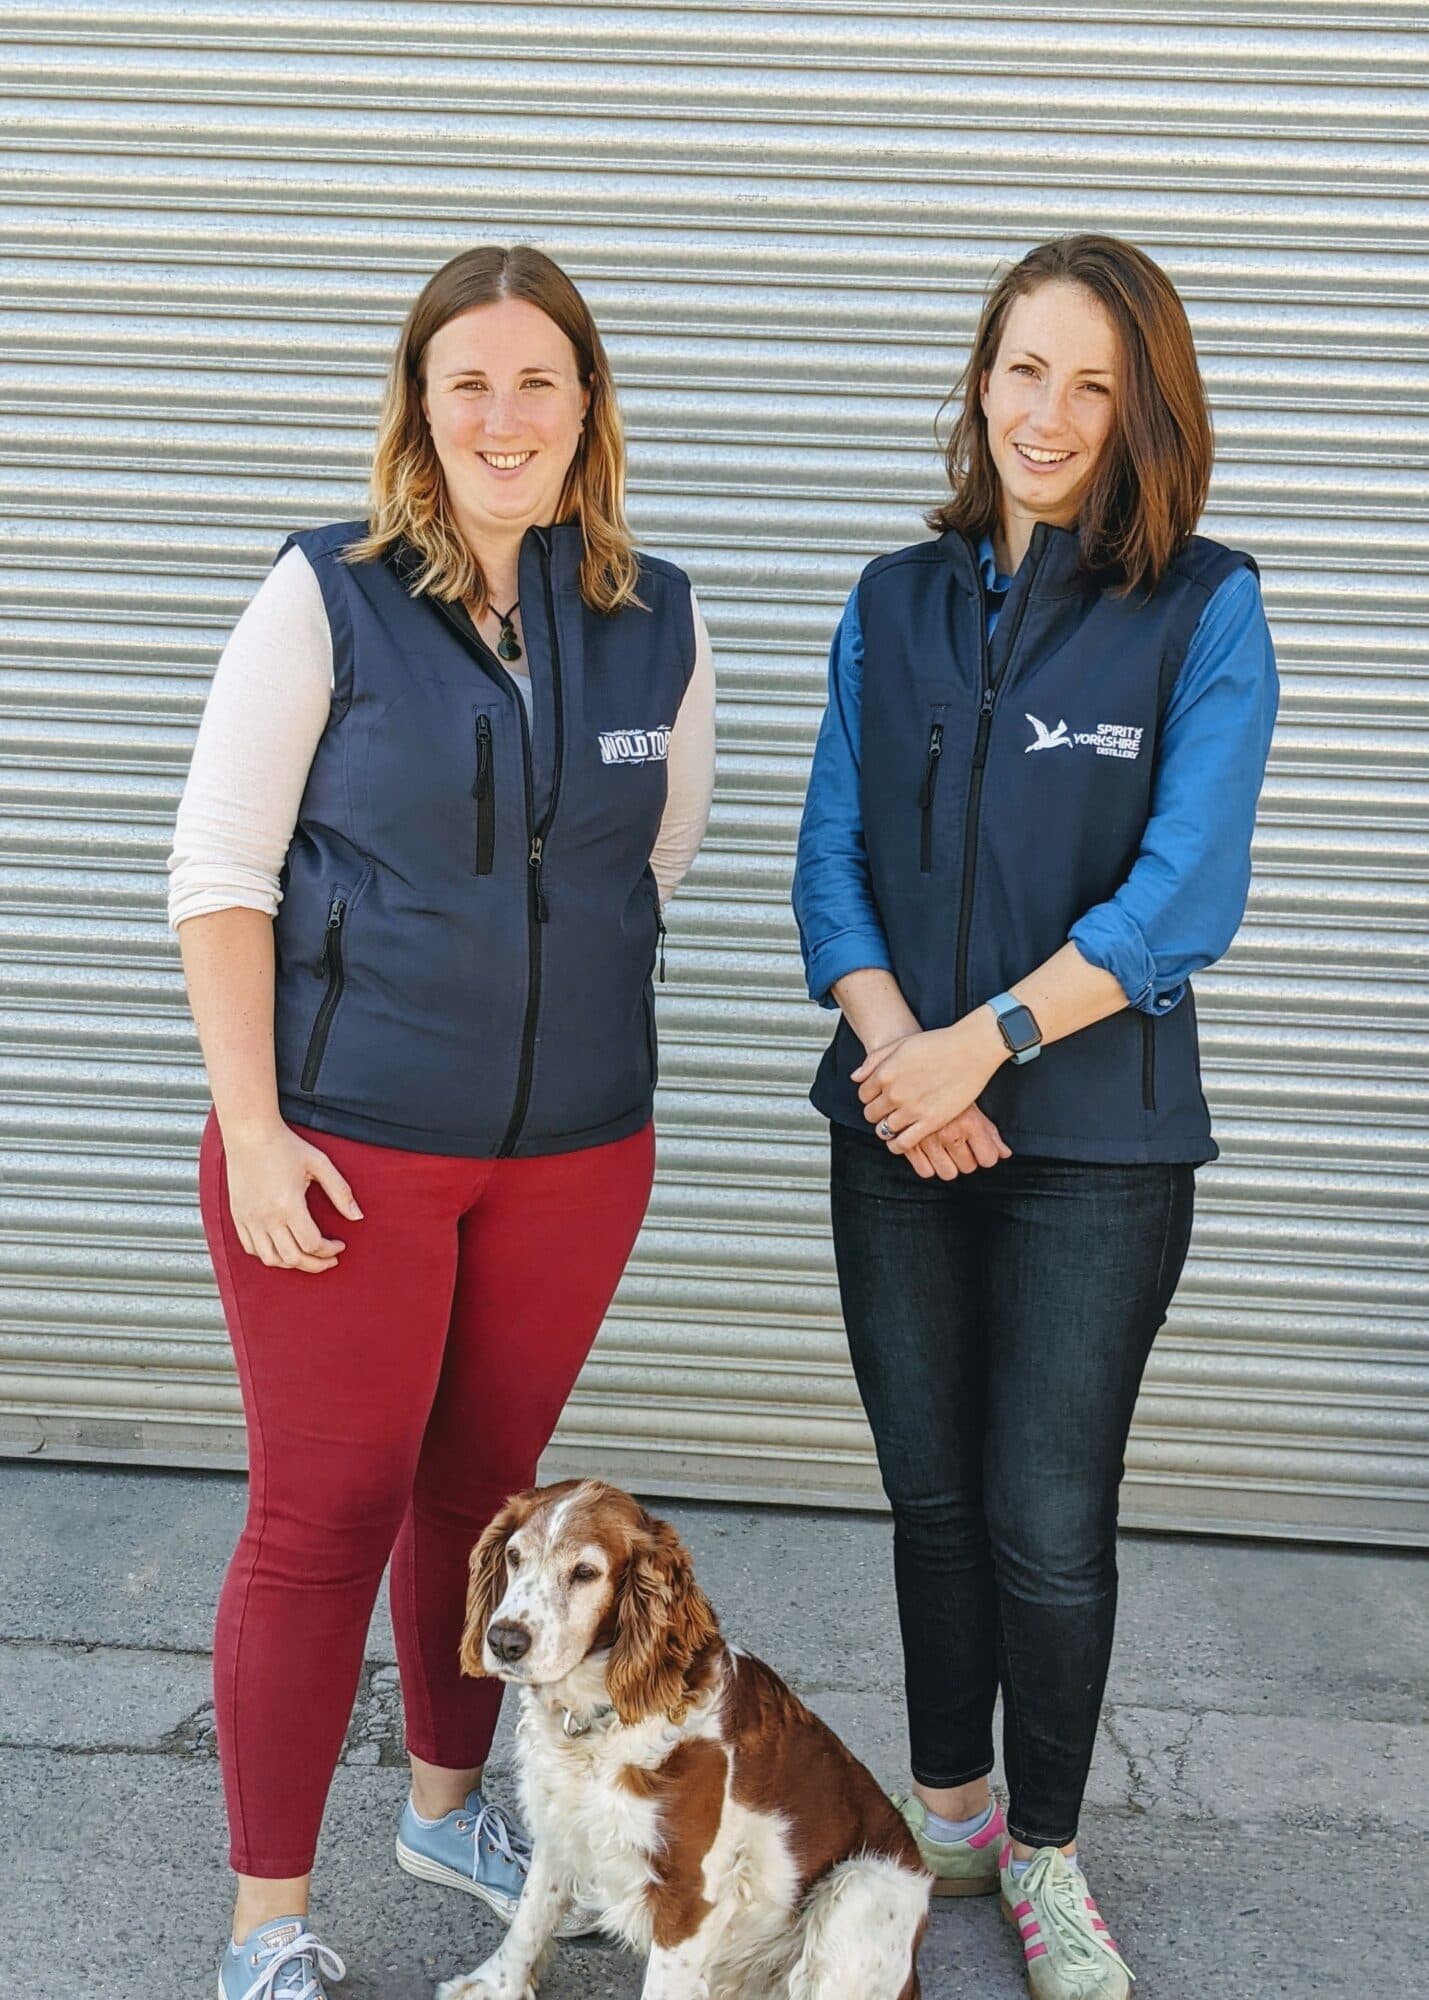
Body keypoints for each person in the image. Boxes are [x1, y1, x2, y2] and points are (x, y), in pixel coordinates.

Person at [168, 244, 715, 2000]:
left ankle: (443, 1807)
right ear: (419, 404)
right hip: (344, 1153)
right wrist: (255, 1128)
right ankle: (265, 1924)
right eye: (466, 381)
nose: (502, 416)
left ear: (585, 407)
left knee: (487, 1506)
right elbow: (220, 874)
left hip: (573, 1156)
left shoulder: (654, 616)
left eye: (536, 381)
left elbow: (652, 861)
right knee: (323, 1518)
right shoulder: (325, 596)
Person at [792, 234, 1277, 2000]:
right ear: (978, 379)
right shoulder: (890, 600)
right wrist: (899, 1060)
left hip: (1096, 1148)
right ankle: (949, 1822)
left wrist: (981, 1046)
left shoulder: (1203, 609)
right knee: (930, 1502)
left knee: (1045, 1519)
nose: (1047, 414)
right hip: (894, 1121)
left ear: (1145, 409)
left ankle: (1050, 1858)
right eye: (1021, 369)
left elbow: (1181, 895)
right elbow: (828, 862)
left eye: (1091, 382)